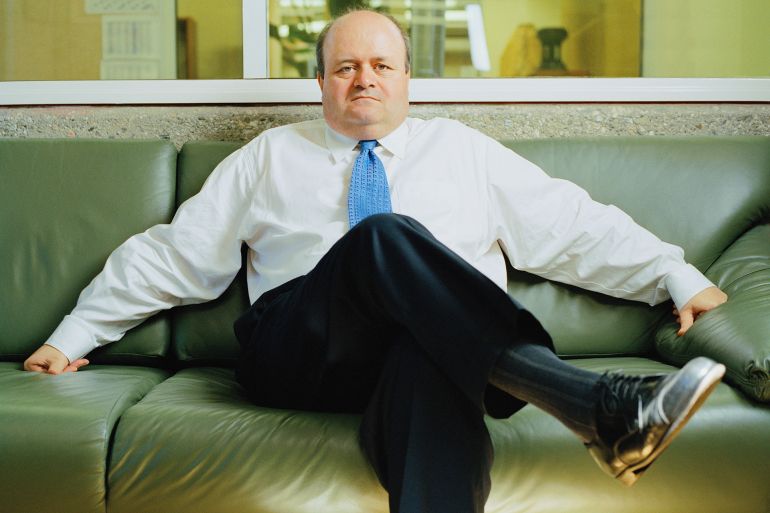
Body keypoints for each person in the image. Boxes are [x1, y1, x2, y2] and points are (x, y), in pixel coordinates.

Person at [25, 9, 728, 513]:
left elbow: (572, 226)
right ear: (322, 83)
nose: (364, 78)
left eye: (381, 65)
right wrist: (73, 334)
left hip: (433, 351)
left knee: (431, 356)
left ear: (406, 79)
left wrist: (672, 272)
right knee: (381, 236)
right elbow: (176, 254)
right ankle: (590, 403)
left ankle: (598, 415)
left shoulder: (462, 150)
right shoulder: (269, 155)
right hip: (300, 347)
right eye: (346, 67)